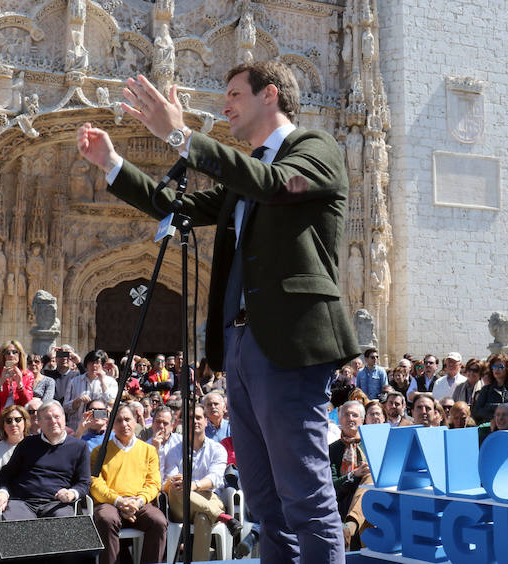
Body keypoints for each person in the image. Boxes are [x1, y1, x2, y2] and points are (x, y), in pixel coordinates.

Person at [79, 60, 359, 562]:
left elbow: (275, 187)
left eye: (233, 93)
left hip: (291, 343)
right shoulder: (248, 172)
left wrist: (181, 135)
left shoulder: (314, 150)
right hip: (242, 345)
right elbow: (178, 207)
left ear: (269, 95)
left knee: (306, 497)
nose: (224, 104)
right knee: (266, 501)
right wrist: (112, 164)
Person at [90, 405, 168, 564]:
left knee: (159, 521)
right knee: (106, 519)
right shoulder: (99, 451)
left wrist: (138, 501)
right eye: (118, 420)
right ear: (112, 425)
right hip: (110, 503)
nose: (124, 424)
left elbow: (154, 483)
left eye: (127, 419)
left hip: (139, 502)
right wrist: (119, 501)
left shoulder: (149, 450)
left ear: (135, 421)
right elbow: (95, 484)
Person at [162, 405, 238, 561]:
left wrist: (193, 485)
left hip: (209, 496)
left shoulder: (217, 449)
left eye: (198, 418)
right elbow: (173, 479)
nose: (195, 421)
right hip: (180, 503)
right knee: (176, 488)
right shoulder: (173, 450)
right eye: (190, 418)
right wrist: (185, 485)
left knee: (203, 517)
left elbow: (216, 478)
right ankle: (222, 516)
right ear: (184, 422)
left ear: (205, 421)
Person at [0, 401, 91, 519]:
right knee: (17, 528)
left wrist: (72, 493)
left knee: (63, 528)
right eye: (47, 418)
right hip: (23, 502)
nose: (53, 421)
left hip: (58, 504)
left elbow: (84, 483)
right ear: (39, 423)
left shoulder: (79, 447)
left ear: (64, 419)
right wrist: (2, 492)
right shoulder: (27, 444)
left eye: (57, 417)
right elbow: (5, 474)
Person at [328, 401, 371, 550]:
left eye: (355, 415)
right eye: (346, 414)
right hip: (344, 497)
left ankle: (351, 525)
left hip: (370, 496)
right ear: (339, 420)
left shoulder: (371, 444)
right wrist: (353, 474)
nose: (350, 418)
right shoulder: (332, 449)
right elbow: (332, 484)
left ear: (362, 420)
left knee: (371, 476)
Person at [0, 340, 34, 431]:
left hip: (17, 420)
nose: (11, 355)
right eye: (7, 352)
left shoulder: (27, 375)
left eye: (15, 352)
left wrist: (20, 384)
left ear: (20, 354)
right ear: (3, 356)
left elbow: (28, 403)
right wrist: (1, 381)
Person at [63, 350, 117, 429]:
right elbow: (66, 408)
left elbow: (111, 404)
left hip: (99, 429)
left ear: (102, 365)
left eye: (97, 363)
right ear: (86, 364)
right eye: (91, 363)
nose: (94, 366)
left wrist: (102, 382)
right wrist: (77, 401)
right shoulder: (74, 381)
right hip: (76, 427)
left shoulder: (110, 382)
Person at [473, 354, 508, 423]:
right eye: (494, 367)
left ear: (507, 369)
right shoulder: (486, 389)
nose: (496, 369)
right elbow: (477, 411)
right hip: (488, 426)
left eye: (500, 367)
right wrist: (503, 406)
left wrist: (488, 406)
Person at [0, 405, 28, 478]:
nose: (13, 424)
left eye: (17, 419)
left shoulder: (34, 445)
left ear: (25, 422)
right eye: (8, 421)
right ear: (3, 425)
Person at [146, 406, 180, 474]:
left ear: (172, 426)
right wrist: (155, 450)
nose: (161, 426)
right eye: (158, 422)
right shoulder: (145, 447)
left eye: (165, 423)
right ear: (152, 424)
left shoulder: (180, 443)